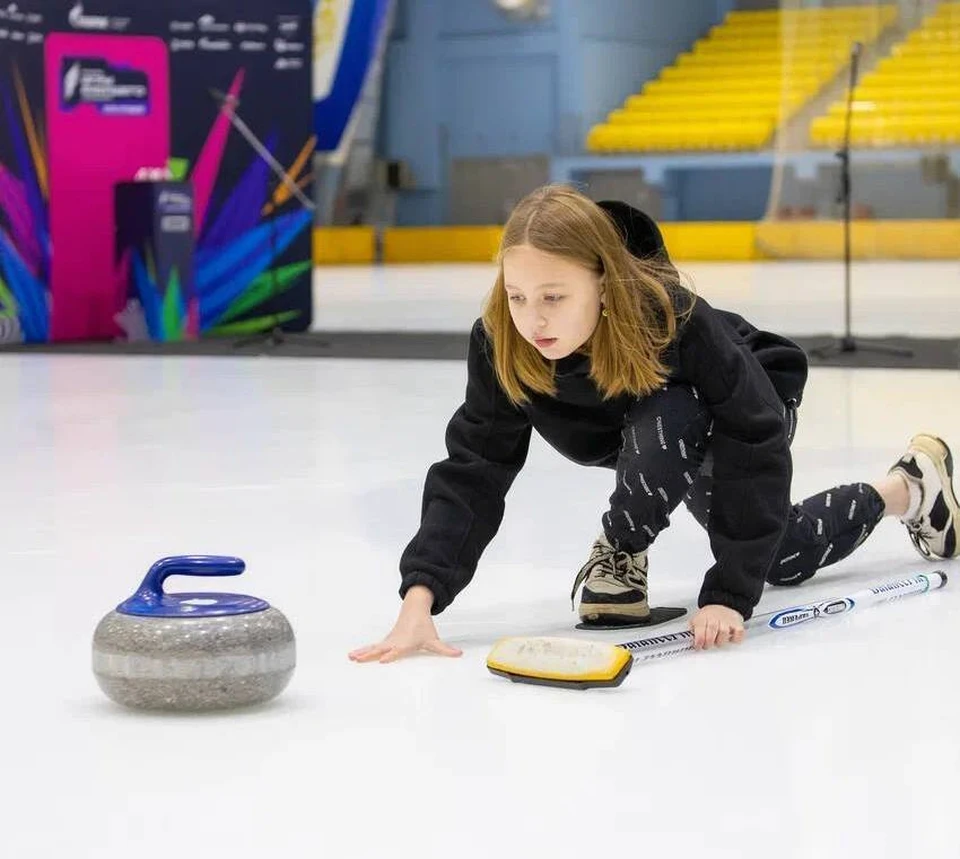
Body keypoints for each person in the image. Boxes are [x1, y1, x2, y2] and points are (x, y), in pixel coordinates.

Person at [349, 185, 958, 665]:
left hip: (740, 405)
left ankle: (619, 554)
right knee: (783, 557)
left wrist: (725, 595)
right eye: (517, 296)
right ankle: (907, 487)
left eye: (554, 297)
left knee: (676, 420)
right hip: (643, 437)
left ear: (604, 284)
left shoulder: (672, 318)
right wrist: (420, 598)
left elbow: (754, 434)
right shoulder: (503, 341)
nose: (532, 319)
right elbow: (475, 465)